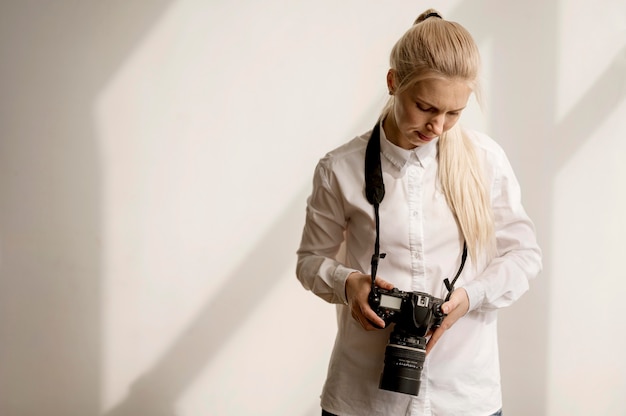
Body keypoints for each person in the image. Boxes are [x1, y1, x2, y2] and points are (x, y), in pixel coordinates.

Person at [296, 8, 542, 416]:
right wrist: (349, 283)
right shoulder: (340, 168)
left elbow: (525, 255)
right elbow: (309, 261)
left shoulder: (486, 160)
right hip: (363, 399)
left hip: (465, 397)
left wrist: (470, 296)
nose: (438, 126)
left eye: (454, 113)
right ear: (393, 82)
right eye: (425, 107)